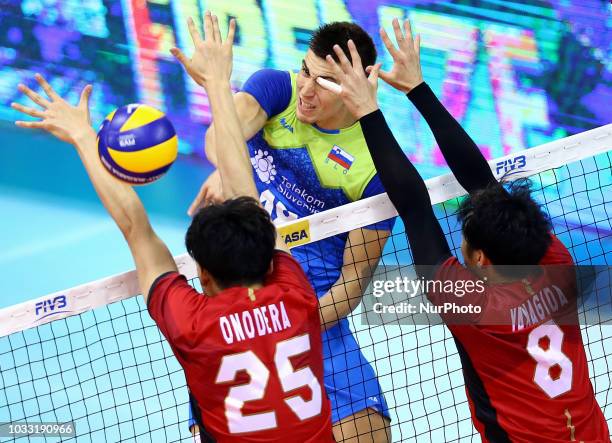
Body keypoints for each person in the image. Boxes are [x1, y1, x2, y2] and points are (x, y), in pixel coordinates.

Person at [12, 12, 334, 443]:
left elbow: (136, 230)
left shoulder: (194, 322)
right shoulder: (296, 294)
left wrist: (85, 138)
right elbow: (245, 194)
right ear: (266, 253)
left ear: (202, 274)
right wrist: (219, 83)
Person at [319, 18, 610, 442]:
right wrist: (416, 89)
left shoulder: (473, 305)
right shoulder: (555, 262)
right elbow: (484, 187)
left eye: (466, 241)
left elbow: (415, 208)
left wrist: (368, 110)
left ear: (481, 260)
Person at [179, 20, 394, 442]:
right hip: (239, 311)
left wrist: (293, 323)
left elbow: (353, 284)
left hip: (312, 315)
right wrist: (226, 165)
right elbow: (215, 140)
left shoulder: (373, 166)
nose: (308, 90)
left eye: (327, 82)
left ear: (360, 82)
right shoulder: (276, 90)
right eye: (306, 70)